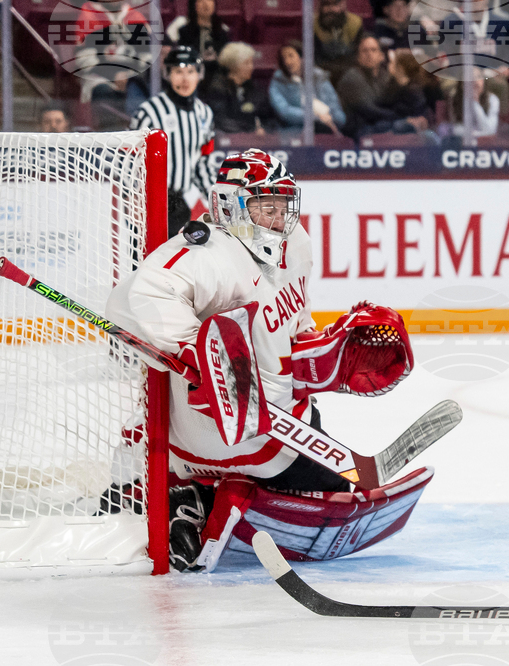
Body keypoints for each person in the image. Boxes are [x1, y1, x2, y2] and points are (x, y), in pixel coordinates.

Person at [104, 150, 422, 572]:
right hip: (216, 428)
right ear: (231, 205)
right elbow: (136, 296)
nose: (278, 218)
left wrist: (317, 353)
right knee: (323, 488)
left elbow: (295, 317)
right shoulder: (207, 252)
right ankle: (192, 490)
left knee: (325, 477)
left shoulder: (297, 243)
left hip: (281, 418)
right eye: (265, 207)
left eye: (283, 206)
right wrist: (190, 347)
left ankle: (194, 495)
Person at [129, 46, 216, 237]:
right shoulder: (149, 112)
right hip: (149, 201)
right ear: (167, 74)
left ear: (199, 74)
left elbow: (203, 161)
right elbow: (131, 161)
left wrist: (216, 200)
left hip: (178, 204)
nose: (185, 79)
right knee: (145, 262)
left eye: (190, 71)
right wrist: (134, 196)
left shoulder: (204, 114)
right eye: (178, 71)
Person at [269, 40, 347, 134]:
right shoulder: (277, 82)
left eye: (291, 56)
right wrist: (315, 117)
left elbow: (338, 113)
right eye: (283, 58)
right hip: (294, 130)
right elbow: (284, 112)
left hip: (326, 127)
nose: (287, 61)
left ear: (301, 57)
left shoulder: (319, 77)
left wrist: (331, 117)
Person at [204, 42, 270, 134]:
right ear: (234, 65)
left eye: (251, 62)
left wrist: (264, 128)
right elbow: (221, 121)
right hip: (229, 140)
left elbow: (268, 117)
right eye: (247, 63)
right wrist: (249, 132)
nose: (252, 67)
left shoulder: (254, 87)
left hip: (253, 140)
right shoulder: (218, 88)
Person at [166, 0, 232, 93]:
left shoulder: (222, 32)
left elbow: (226, 61)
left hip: (216, 78)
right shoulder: (184, 32)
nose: (206, 4)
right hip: (192, 75)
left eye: (210, 0)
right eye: (201, 1)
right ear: (194, 5)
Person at [313, 0, 365, 83]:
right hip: (322, 75)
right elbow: (315, 58)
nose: (331, 9)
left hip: (350, 75)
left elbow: (357, 56)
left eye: (335, 4)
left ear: (343, 5)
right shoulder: (313, 25)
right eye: (326, 4)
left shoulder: (355, 23)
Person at [448, 71, 500, 138]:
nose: (475, 81)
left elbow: (490, 130)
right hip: (462, 145)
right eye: (470, 78)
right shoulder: (455, 98)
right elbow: (456, 130)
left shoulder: (492, 99)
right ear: (462, 84)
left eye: (478, 77)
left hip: (486, 146)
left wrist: (475, 102)